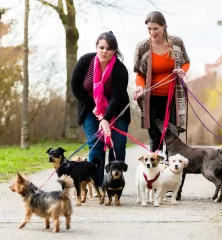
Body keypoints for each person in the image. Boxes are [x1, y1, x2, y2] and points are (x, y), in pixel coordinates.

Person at [71, 31, 131, 188]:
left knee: (117, 146)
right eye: (101, 47)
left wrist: (105, 119)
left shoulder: (120, 69)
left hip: (117, 111)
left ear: (114, 51)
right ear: (96, 47)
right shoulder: (85, 62)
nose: (105, 51)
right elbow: (76, 88)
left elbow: (117, 97)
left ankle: (114, 186)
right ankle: (98, 185)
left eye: (109, 48)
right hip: (90, 108)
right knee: (95, 145)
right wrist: (95, 110)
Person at [133, 11, 190, 154]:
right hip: (152, 100)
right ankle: (156, 173)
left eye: (155, 28)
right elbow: (140, 74)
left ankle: (173, 172)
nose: (152, 32)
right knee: (155, 139)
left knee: (173, 138)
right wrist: (140, 87)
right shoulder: (142, 48)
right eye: (149, 29)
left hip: (173, 99)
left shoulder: (177, 43)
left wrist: (182, 71)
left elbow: (186, 62)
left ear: (164, 26)